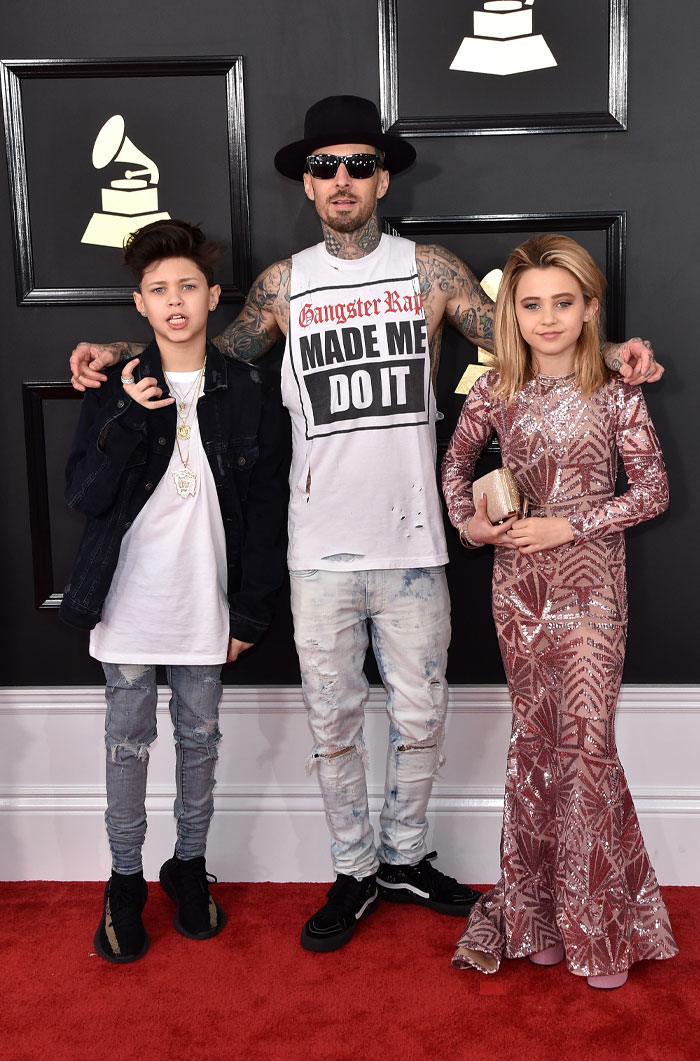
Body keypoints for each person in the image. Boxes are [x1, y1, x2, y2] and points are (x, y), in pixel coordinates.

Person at [68, 96, 663, 954]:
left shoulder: (430, 269)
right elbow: (198, 346)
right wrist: (112, 353)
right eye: (324, 167)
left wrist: (612, 353)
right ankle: (352, 869)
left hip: (415, 540)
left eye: (356, 165)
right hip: (316, 549)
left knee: (423, 717)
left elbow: (520, 339)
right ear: (308, 186)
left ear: (381, 176)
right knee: (333, 724)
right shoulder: (283, 284)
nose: (341, 180)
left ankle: (406, 857)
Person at [442, 233, 678, 989]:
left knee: (586, 748)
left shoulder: (614, 383)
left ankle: (602, 930)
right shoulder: (492, 388)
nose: (548, 318)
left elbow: (653, 491)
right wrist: (473, 525)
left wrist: (570, 524)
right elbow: (453, 470)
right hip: (517, 593)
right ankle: (539, 917)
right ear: (512, 309)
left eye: (563, 303)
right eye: (532, 303)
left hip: (591, 593)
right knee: (537, 750)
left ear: (589, 307)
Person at [61, 219, 287, 963]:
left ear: (213, 295)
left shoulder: (248, 388)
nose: (175, 300)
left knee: (199, 740)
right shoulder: (116, 387)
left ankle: (188, 865)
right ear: (140, 303)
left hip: (205, 603)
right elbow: (86, 495)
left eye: (188, 286)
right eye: (159, 290)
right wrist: (129, 414)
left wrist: (251, 611)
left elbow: (263, 514)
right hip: (128, 601)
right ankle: (124, 880)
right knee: (127, 744)